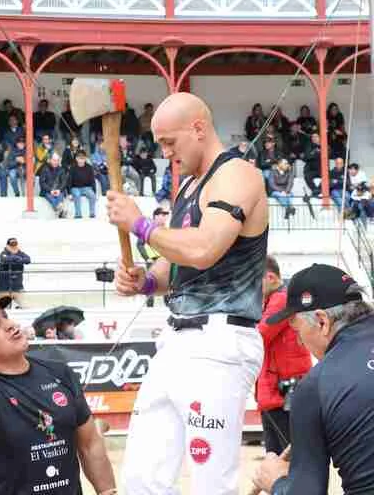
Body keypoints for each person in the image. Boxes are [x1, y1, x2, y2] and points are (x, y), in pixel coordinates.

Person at [107, 91, 268, 495]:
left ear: (198, 128)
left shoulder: (237, 174)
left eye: (168, 142)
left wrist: (141, 225)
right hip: (178, 337)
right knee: (142, 477)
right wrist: (145, 282)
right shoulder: (190, 187)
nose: (166, 154)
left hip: (220, 339)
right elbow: (176, 265)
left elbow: (203, 248)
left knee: (211, 480)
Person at [0, 279, 116, 495]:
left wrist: (108, 492)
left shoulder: (60, 373)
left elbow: (90, 444)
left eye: (5, 317)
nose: (10, 325)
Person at [253, 264, 374, 495]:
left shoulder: (316, 386)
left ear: (322, 321)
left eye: (297, 331)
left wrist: (277, 482)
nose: (300, 342)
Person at [256, 257, 311, 455]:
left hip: (280, 391)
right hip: (280, 388)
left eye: (255, 281)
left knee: (284, 455)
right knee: (280, 453)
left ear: (270, 277)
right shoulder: (280, 298)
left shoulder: (280, 300)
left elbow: (259, 335)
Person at [136, 207, 169, 308]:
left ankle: (167, 305)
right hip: (152, 260)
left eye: (166, 215)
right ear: (156, 216)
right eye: (162, 215)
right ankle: (149, 306)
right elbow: (139, 244)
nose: (165, 217)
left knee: (167, 281)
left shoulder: (167, 230)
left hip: (165, 260)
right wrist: (146, 257)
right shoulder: (149, 228)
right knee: (151, 281)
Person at [0, 237, 31, 307]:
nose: (14, 246)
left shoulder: (21, 253)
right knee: (3, 309)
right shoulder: (3, 253)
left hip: (17, 287)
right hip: (4, 288)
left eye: (15, 244)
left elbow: (28, 260)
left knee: (25, 307)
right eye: (11, 244)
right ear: (7, 246)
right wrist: (17, 258)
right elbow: (5, 259)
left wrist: (16, 258)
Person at [68, 150, 97, 219]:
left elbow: (92, 180)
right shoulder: (72, 168)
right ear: (76, 159)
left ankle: (92, 213)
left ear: (85, 158)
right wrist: (69, 193)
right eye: (79, 158)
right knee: (77, 195)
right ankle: (78, 214)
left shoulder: (89, 167)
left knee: (92, 195)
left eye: (83, 158)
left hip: (86, 187)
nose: (81, 160)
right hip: (75, 188)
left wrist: (94, 192)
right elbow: (69, 181)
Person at [303, 132, 321, 197]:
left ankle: (318, 190)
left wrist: (313, 154)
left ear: (320, 138)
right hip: (311, 169)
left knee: (328, 177)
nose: (314, 138)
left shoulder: (324, 145)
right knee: (307, 176)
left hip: (321, 169)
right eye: (313, 137)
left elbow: (329, 154)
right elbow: (307, 157)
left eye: (316, 137)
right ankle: (315, 190)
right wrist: (315, 151)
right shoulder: (309, 146)